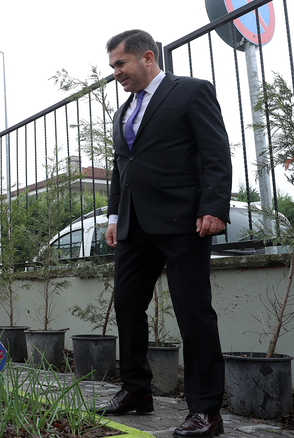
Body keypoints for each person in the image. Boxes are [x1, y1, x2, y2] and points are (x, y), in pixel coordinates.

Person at [98, 30, 231, 438]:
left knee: (193, 311)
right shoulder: (123, 112)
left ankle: (206, 411)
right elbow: (124, 165)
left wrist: (213, 207)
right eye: (112, 67)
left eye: (120, 64)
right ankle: (136, 391)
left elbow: (216, 151)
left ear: (148, 57)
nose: (116, 72)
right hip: (135, 223)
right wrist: (114, 216)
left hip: (184, 221)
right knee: (126, 303)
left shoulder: (190, 91)